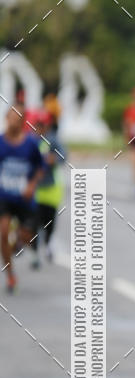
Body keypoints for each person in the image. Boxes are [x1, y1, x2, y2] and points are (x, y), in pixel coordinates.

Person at [0, 103, 45, 292]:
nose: (14, 121)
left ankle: (19, 239)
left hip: (25, 198)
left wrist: (32, 185)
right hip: (4, 197)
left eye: (19, 118)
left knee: (27, 236)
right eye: (12, 117)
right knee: (2, 233)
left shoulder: (31, 144)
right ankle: (10, 276)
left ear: (23, 121)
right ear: (6, 118)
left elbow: (41, 168)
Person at [26, 107, 66, 267]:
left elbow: (63, 156)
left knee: (49, 221)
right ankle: (34, 252)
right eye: (37, 124)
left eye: (43, 125)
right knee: (32, 223)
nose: (40, 128)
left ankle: (49, 243)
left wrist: (53, 159)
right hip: (33, 190)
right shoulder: (29, 140)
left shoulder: (53, 140)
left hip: (50, 189)